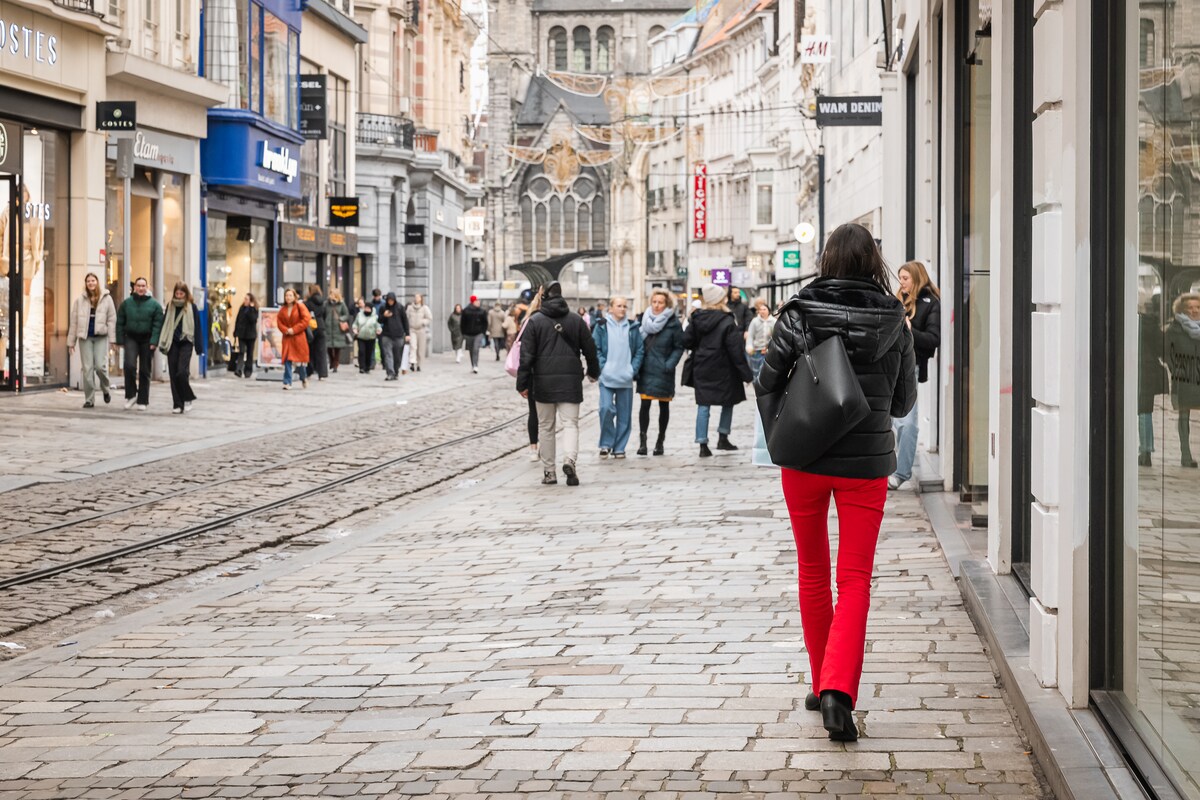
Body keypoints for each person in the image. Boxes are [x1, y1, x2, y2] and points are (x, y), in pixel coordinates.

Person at [755, 222, 915, 742]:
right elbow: (903, 403)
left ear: (826, 260)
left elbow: (766, 381)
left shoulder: (799, 313)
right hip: (865, 466)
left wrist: (791, 423)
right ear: (874, 263)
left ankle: (821, 677)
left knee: (811, 570)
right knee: (856, 578)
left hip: (804, 458)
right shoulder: (894, 319)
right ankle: (837, 691)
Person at [517, 281, 600, 485]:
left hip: (542, 383)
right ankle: (569, 460)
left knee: (546, 427)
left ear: (543, 296)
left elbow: (526, 356)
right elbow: (590, 349)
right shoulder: (576, 320)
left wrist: (522, 383)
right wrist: (593, 372)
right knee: (570, 424)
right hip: (570, 380)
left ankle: (549, 472)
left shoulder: (534, 322)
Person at [889, 261, 942, 489]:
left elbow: (933, 339)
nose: (901, 282)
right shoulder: (895, 301)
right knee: (889, 420)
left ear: (917, 278)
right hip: (888, 366)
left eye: (905, 278)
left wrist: (911, 330)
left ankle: (901, 473)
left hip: (911, 366)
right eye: (900, 278)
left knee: (906, 422)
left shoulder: (931, 303)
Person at [684, 284, 754, 457]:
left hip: (702, 365)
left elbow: (686, 341)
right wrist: (746, 374)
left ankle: (702, 443)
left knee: (703, 404)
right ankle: (723, 437)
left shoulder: (696, 318)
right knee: (728, 401)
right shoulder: (727, 320)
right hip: (724, 367)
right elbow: (735, 349)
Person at [593, 296, 644, 459]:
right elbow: (596, 348)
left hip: (625, 377)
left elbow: (639, 350)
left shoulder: (633, 327)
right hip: (607, 377)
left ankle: (619, 447)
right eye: (619, 306)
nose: (622, 309)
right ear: (611, 308)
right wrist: (603, 367)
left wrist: (632, 369)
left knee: (624, 414)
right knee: (605, 408)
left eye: (624, 306)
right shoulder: (602, 326)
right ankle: (606, 443)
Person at [636, 289, 685, 456]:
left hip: (664, 370)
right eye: (654, 302)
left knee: (664, 406)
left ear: (667, 304)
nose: (657, 305)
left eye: (660, 302)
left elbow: (679, 347)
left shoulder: (673, 323)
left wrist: (669, 364)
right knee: (645, 406)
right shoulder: (643, 320)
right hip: (646, 368)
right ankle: (643, 442)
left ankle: (660, 441)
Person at [67, 272, 117, 408]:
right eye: (88, 281)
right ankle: (89, 399)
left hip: (101, 336)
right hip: (85, 338)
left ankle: (106, 389)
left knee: (101, 367)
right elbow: (74, 322)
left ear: (97, 282)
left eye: (93, 280)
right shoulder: (80, 300)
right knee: (87, 369)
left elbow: (112, 320)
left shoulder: (107, 299)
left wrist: (113, 340)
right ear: (86, 283)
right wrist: (71, 342)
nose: (91, 283)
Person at [115, 276, 164, 411]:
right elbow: (120, 322)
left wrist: (154, 341)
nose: (141, 288)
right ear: (134, 288)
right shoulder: (126, 304)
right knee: (129, 366)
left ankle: (143, 400)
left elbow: (157, 325)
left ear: (147, 287)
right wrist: (120, 340)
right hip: (131, 338)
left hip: (147, 340)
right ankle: (131, 395)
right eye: (139, 286)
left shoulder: (155, 305)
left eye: (143, 286)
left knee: (144, 369)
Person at [158, 281, 203, 413]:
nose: (179, 296)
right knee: (173, 373)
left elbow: (197, 327)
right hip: (172, 343)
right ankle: (177, 404)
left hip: (186, 342)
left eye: (181, 293)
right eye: (177, 293)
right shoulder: (170, 306)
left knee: (182, 372)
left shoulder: (192, 307)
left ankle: (187, 397)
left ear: (186, 293)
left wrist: (199, 347)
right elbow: (164, 324)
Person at [1168, 292, 1200, 468]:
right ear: (1182, 310)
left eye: (1198, 307)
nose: (1195, 311)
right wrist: (1178, 369)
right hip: (1185, 379)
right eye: (1190, 308)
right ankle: (1185, 455)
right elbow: (1168, 353)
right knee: (1184, 417)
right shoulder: (1174, 329)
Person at [276, 287, 312, 390]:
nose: (288, 297)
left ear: (294, 296)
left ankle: (303, 377)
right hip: (287, 338)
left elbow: (306, 319)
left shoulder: (300, 306)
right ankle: (287, 382)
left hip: (298, 338)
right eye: (286, 295)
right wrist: (286, 330)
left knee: (299, 362)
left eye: (290, 295)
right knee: (287, 359)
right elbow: (279, 322)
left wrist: (294, 329)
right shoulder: (282, 309)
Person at [378, 292, 411, 380]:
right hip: (386, 335)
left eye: (392, 300)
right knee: (388, 354)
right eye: (389, 300)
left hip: (399, 335)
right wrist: (384, 316)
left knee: (397, 356)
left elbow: (405, 321)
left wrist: (407, 334)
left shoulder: (400, 307)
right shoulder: (383, 307)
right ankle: (390, 373)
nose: (390, 302)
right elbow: (379, 320)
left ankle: (395, 371)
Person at [745, 297, 776, 378]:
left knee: (767, 374)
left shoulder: (774, 321)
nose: (762, 311)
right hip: (756, 351)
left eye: (764, 309)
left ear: (768, 310)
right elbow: (750, 336)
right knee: (756, 372)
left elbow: (776, 337)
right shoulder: (754, 321)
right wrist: (749, 347)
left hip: (769, 351)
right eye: (760, 309)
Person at [304, 284, 329, 380]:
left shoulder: (308, 303)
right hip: (321, 327)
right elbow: (325, 315)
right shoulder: (323, 302)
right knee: (321, 351)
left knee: (309, 350)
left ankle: (309, 371)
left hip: (311, 328)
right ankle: (322, 374)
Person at [326, 289, 353, 373]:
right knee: (329, 347)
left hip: (338, 329)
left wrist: (340, 319)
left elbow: (346, 314)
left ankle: (335, 364)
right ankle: (331, 361)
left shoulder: (341, 304)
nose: (331, 296)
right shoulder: (326, 304)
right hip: (328, 328)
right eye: (330, 294)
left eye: (332, 294)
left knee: (337, 349)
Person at [233, 293, 259, 378]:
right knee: (241, 351)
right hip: (241, 334)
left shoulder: (254, 309)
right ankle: (239, 369)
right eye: (244, 299)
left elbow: (253, 319)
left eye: (247, 299)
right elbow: (238, 320)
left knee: (249, 353)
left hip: (251, 335)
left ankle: (248, 371)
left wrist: (251, 308)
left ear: (251, 301)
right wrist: (235, 331)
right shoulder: (242, 308)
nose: (245, 301)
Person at [460, 295, 488, 373]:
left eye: (478, 301)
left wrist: (483, 332)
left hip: (478, 333)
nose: (478, 302)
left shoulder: (482, 311)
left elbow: (485, 323)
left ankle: (476, 365)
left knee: (476, 349)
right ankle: (473, 365)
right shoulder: (466, 311)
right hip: (468, 334)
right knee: (471, 350)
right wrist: (463, 333)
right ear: (472, 302)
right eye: (476, 301)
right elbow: (463, 323)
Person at [407, 293, 434, 372]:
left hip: (421, 330)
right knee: (413, 346)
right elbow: (406, 317)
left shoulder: (424, 308)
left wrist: (423, 322)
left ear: (421, 299)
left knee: (420, 349)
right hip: (412, 329)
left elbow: (429, 318)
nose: (416, 299)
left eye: (418, 297)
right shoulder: (409, 308)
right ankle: (412, 362)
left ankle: (419, 365)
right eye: (415, 297)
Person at [353, 300, 381, 373]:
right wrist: (355, 329)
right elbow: (355, 323)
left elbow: (378, 325)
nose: (367, 310)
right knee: (362, 351)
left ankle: (367, 367)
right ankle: (362, 367)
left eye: (368, 308)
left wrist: (378, 330)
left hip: (371, 337)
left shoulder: (375, 317)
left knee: (369, 352)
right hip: (361, 336)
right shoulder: (359, 314)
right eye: (366, 308)